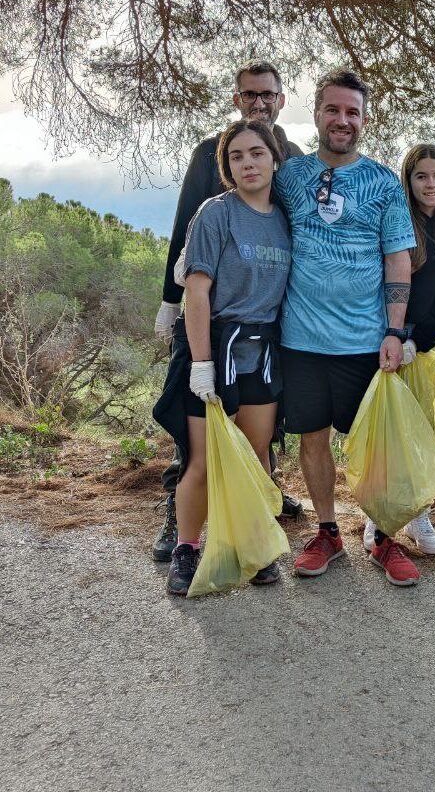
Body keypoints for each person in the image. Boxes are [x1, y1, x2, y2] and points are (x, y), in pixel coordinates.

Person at [150, 61, 304, 563]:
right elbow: (185, 226)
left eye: (268, 94)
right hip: (212, 316)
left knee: (263, 433)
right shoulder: (210, 155)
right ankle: (181, 524)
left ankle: (253, 513)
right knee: (195, 434)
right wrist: (170, 300)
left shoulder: (295, 157)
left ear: (281, 100)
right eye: (250, 94)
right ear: (238, 99)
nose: (259, 101)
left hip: (267, 322)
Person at [274, 69, 422, 587]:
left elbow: (398, 259)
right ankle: (329, 532)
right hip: (301, 339)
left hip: (366, 339)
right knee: (311, 440)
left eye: (352, 112)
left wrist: (394, 332)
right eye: (333, 110)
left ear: (364, 119)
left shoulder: (383, 183)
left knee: (375, 447)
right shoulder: (289, 176)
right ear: (316, 114)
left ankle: (382, 537)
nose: (342, 120)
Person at [361, 143, 435, 556]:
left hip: (420, 351)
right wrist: (394, 334)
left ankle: (419, 514)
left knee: (421, 435)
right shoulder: (397, 220)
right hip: (386, 343)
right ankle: (377, 514)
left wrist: (417, 340)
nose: (431, 184)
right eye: (421, 176)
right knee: (386, 435)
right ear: (409, 180)